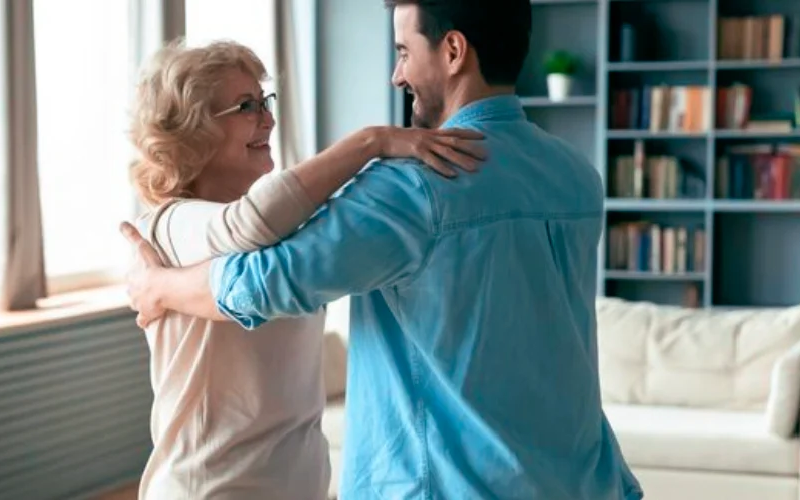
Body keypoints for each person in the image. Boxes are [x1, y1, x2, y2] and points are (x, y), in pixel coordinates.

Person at [120, 1, 645, 499]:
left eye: (402, 52)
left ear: (454, 51)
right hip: (579, 481)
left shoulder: (412, 186)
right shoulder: (575, 175)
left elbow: (262, 282)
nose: (397, 76)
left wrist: (158, 286)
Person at [124, 38, 487, 500]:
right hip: (210, 489)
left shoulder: (285, 227)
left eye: (264, 101)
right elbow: (250, 223)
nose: (268, 118)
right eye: (246, 106)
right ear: (193, 130)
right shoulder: (169, 226)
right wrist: (372, 141)